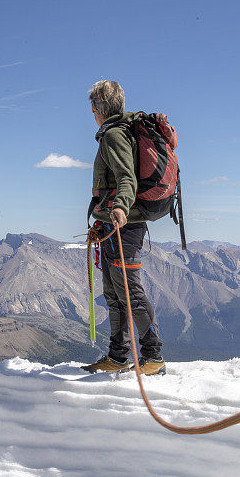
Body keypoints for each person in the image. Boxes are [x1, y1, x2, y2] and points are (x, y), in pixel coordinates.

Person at [82, 80, 166, 376]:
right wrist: (103, 216)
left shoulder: (114, 135)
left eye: (91, 107)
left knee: (129, 291)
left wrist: (118, 208)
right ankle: (118, 356)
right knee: (114, 292)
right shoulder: (119, 133)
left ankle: (153, 356)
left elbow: (126, 178)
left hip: (124, 225)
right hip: (113, 224)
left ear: (96, 109)